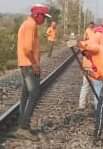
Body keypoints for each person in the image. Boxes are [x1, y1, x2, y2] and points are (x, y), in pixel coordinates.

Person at [16, 4, 51, 140]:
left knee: (26, 95)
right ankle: (24, 128)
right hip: (29, 65)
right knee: (35, 93)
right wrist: (35, 64)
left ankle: (22, 125)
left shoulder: (27, 24)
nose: (44, 20)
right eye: (44, 17)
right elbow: (27, 49)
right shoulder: (30, 25)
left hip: (25, 64)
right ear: (37, 15)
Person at [78, 22, 103, 110]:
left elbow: (80, 45)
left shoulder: (86, 43)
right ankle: (97, 106)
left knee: (85, 86)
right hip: (94, 68)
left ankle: (81, 105)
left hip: (86, 67)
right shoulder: (98, 44)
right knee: (97, 86)